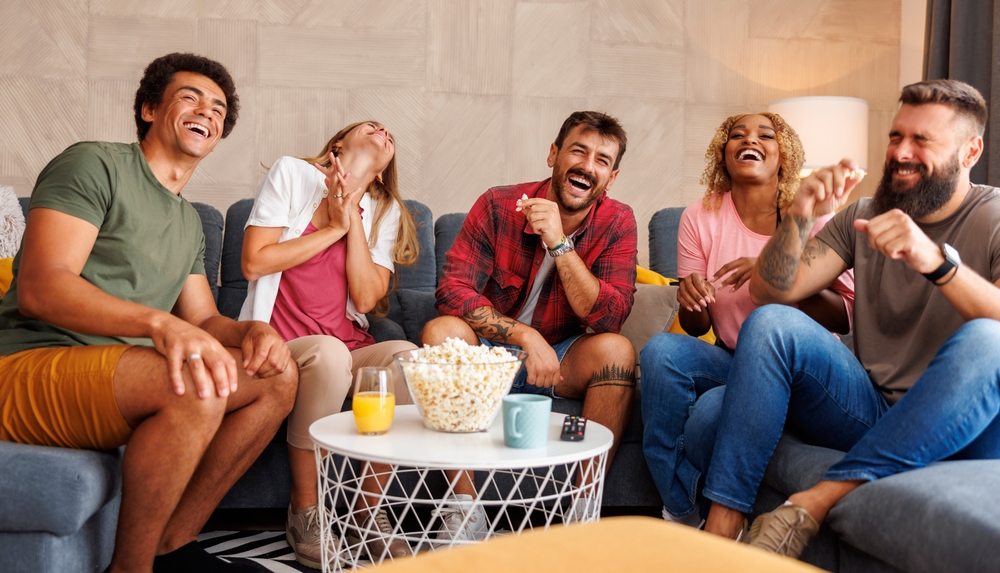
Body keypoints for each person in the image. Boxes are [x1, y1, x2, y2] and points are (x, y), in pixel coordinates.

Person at [0, 52, 297, 573]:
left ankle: (171, 547)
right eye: (190, 96)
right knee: (195, 384)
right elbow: (42, 287)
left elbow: (205, 320)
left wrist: (253, 329)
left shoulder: (186, 222)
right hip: (28, 364)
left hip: (119, 376)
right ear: (148, 109)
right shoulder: (95, 163)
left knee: (277, 378)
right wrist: (159, 324)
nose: (207, 110)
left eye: (219, 108)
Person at [696, 80, 1000, 558]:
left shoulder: (995, 216)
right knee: (772, 323)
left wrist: (936, 261)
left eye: (922, 141)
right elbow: (770, 290)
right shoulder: (863, 213)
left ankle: (817, 499)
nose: (902, 152)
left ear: (971, 151)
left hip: (962, 423)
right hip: (873, 407)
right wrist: (799, 213)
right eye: (897, 136)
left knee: (990, 339)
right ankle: (721, 534)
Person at [422, 111, 638, 538]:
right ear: (553, 154)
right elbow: (452, 290)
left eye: (601, 159)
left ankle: (581, 512)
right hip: (488, 356)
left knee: (617, 352)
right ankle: (464, 511)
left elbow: (610, 316)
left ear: (611, 178)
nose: (587, 165)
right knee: (440, 332)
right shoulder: (499, 204)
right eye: (578, 150)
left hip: (559, 361)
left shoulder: (618, 221)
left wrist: (559, 242)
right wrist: (524, 335)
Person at [639, 113, 854, 531]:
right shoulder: (700, 217)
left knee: (704, 420)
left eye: (764, 135)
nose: (748, 140)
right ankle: (680, 511)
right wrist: (691, 297)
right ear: (723, 154)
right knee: (660, 351)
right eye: (736, 135)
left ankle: (722, 527)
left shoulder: (812, 215)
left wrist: (773, 273)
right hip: (732, 359)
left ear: (783, 156)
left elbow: (844, 314)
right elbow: (697, 325)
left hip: (799, 368)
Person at [240, 121, 420, 566]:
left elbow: (364, 296)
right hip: (282, 345)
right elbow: (253, 262)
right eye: (370, 126)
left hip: (347, 342)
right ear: (338, 144)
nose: (382, 130)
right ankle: (305, 510)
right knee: (328, 352)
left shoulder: (383, 209)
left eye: (389, 136)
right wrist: (334, 228)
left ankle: (367, 514)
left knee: (408, 359)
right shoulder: (292, 174)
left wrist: (353, 212)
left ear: (382, 172)